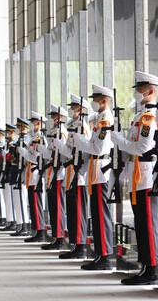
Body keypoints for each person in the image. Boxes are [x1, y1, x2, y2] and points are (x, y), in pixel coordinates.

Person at [111, 71, 158, 284]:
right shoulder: (140, 116)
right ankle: (146, 266)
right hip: (137, 174)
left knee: (148, 223)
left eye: (140, 89)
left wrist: (119, 140)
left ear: (151, 91)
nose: (137, 92)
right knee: (140, 222)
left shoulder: (150, 116)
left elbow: (142, 147)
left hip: (146, 174)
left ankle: (152, 269)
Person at [74, 85, 114, 270]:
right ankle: (100, 254)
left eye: (96, 99)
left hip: (100, 169)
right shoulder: (99, 119)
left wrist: (79, 141)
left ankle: (105, 257)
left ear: (104, 100)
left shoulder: (105, 120)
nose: (93, 103)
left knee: (101, 214)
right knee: (96, 215)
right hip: (94, 169)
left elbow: (97, 148)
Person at [57, 95, 90, 259]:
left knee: (78, 211)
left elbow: (81, 152)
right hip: (70, 172)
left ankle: (80, 246)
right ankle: (75, 245)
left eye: (75, 107)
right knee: (72, 210)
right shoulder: (72, 125)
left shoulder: (82, 126)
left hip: (78, 173)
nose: (72, 109)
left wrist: (61, 148)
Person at [38, 105, 68, 250]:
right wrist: (43, 149)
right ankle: (56, 236)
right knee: (53, 206)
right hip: (52, 172)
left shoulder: (62, 132)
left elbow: (64, 153)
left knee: (58, 206)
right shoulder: (53, 132)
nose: (53, 119)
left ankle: (60, 238)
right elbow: (51, 153)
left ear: (61, 118)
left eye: (55, 116)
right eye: (52, 116)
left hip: (59, 171)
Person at [19, 111, 47, 243]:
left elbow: (36, 158)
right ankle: (36, 230)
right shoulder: (33, 137)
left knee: (36, 203)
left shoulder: (40, 138)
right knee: (32, 203)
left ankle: (40, 232)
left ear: (39, 123)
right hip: (30, 174)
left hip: (36, 174)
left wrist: (24, 152)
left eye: (33, 122)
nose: (31, 124)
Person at [10, 118, 31, 237]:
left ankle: (25, 226)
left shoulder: (25, 140)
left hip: (22, 172)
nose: (17, 130)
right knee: (18, 200)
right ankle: (20, 224)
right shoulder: (20, 140)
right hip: (17, 171)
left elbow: (24, 157)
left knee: (22, 200)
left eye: (18, 127)